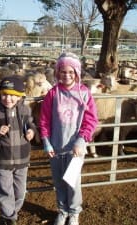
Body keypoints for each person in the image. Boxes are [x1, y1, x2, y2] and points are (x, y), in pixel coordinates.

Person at [39, 52, 98, 225]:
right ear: (57, 73)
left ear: (77, 73)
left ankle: (74, 212)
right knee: (59, 182)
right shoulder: (53, 93)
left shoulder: (84, 93)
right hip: (56, 148)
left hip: (75, 149)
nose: (67, 75)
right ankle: (62, 210)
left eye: (71, 72)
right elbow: (44, 120)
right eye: (63, 72)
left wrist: (81, 140)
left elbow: (91, 119)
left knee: (72, 182)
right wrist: (46, 141)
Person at [0, 75, 37, 225]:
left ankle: (12, 212)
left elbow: (31, 124)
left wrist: (32, 131)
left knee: (20, 192)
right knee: (5, 190)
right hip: (2, 159)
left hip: (22, 158)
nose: (8, 98)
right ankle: (8, 217)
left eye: (13, 95)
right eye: (5, 94)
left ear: (20, 97)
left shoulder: (26, 111)